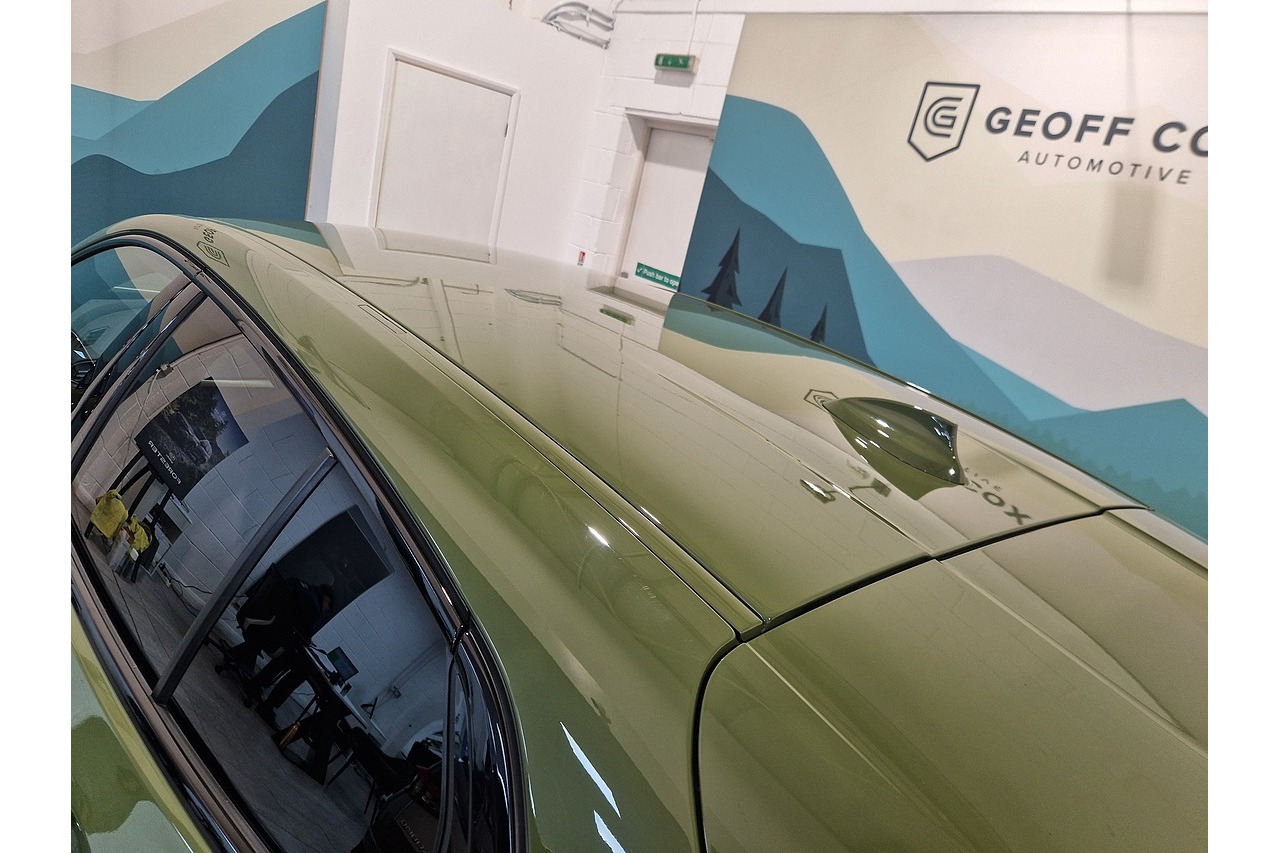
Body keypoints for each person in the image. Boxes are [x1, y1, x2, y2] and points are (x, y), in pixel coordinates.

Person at [224, 572, 335, 727]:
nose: (325, 611)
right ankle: (263, 696)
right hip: (265, 633)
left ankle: (239, 656)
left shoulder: (298, 582)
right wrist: (308, 642)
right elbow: (304, 639)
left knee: (288, 650)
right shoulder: (314, 607)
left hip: (254, 618)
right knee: (298, 664)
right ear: (326, 599)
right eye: (328, 608)